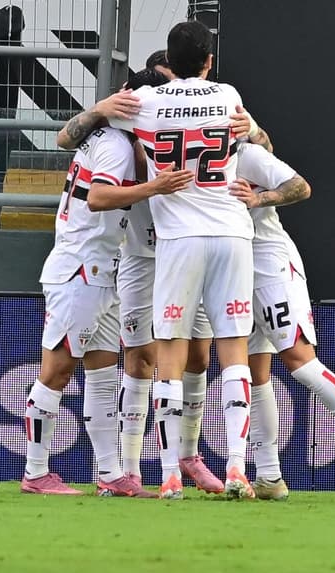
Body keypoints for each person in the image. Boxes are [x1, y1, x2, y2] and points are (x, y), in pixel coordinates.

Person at [105, 21, 260, 500]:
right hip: (233, 232)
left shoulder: (148, 103)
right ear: (209, 60)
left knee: (167, 354)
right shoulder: (229, 95)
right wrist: (251, 126)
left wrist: (101, 107)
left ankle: (170, 472)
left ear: (167, 63)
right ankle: (237, 468)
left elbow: (79, 136)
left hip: (178, 241)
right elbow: (257, 139)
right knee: (233, 351)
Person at [21, 70, 193, 498]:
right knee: (57, 370)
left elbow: (68, 138)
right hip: (80, 267)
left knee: (101, 373)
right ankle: (35, 472)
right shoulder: (116, 145)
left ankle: (111, 473)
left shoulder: (103, 135)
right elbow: (98, 197)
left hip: (101, 269)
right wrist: (154, 187)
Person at [229, 143, 335, 500]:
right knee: (255, 374)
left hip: (271, 266)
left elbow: (301, 187)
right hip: (235, 270)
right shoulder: (189, 157)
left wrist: (259, 199)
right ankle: (269, 476)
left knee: (300, 361)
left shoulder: (248, 155)